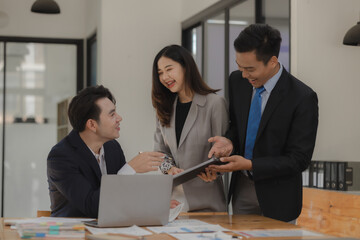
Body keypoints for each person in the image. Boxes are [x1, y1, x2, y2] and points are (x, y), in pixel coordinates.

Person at [207, 24, 319, 222]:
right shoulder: (237, 81)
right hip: (241, 189)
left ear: (273, 61)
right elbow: (237, 126)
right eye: (239, 66)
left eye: (250, 69)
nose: (243, 74)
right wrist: (230, 142)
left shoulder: (302, 97)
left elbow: (298, 159)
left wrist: (250, 164)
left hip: (279, 199)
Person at [47, 85, 166, 218]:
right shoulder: (61, 157)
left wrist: (155, 204)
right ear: (92, 124)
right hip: (73, 233)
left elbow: (122, 196)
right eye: (112, 114)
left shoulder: (112, 147)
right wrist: (129, 169)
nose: (119, 118)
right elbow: (92, 206)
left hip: (110, 230)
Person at [152, 45, 229, 212]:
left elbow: (225, 152)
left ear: (186, 67)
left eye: (169, 69)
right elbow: (161, 153)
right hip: (174, 205)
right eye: (160, 73)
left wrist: (216, 172)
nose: (165, 77)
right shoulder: (164, 108)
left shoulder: (214, 104)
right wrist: (169, 168)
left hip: (208, 204)